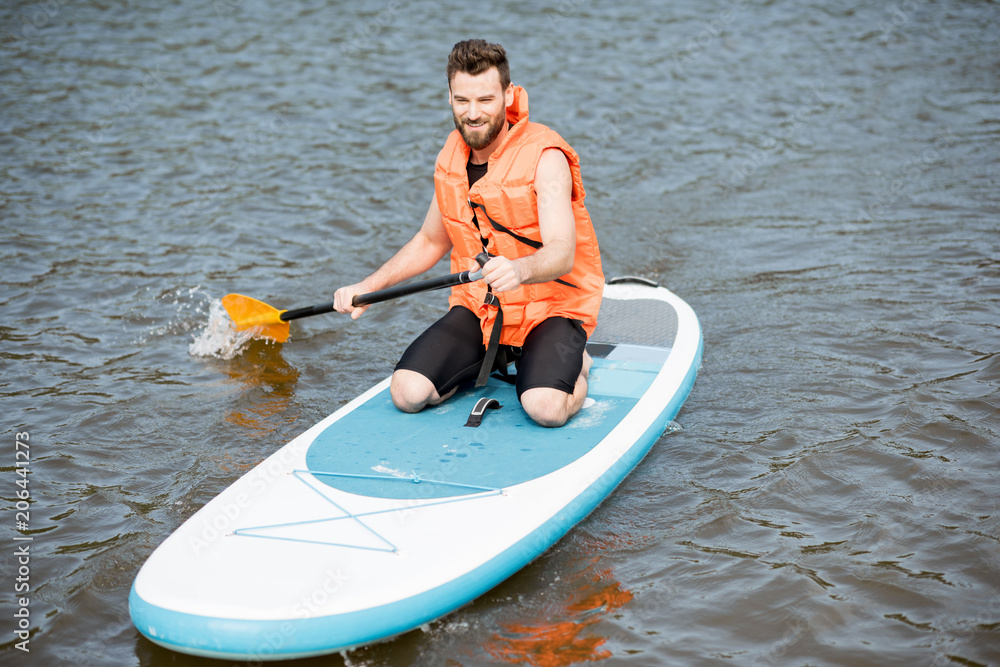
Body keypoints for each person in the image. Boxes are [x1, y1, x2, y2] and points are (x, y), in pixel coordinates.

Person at [334, 39, 603, 427]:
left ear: (508, 95)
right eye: (463, 100)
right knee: (407, 394)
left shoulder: (547, 157)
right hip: (484, 308)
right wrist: (369, 288)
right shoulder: (451, 156)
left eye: (485, 100)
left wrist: (520, 269)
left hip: (551, 308)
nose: (473, 114)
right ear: (449, 97)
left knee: (545, 409)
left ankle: (578, 365)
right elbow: (430, 241)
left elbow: (562, 251)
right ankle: (493, 359)